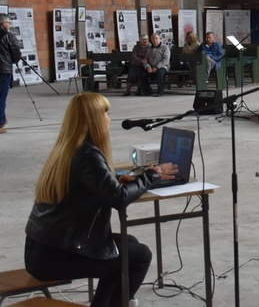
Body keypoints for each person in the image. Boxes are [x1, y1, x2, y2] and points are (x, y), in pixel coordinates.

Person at [24, 93, 177, 307]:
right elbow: (119, 198)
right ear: (93, 119)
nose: (109, 118)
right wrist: (153, 175)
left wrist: (113, 179)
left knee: (129, 244)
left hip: (41, 249)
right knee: (140, 255)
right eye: (105, 113)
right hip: (56, 256)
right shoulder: (88, 154)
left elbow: (83, 183)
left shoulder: (66, 147)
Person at [0, 13, 22, 134]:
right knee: (1, 97)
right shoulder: (9, 36)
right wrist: (13, 61)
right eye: (9, 23)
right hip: (3, 70)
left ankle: (2, 118)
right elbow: (16, 53)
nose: (9, 25)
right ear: (4, 24)